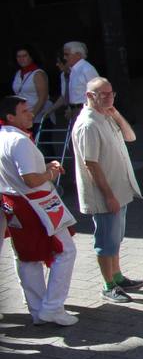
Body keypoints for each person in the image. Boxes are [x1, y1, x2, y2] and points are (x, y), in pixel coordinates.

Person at [1, 95, 78, 324]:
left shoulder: (6, 137)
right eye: (24, 111)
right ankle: (52, 307)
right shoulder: (19, 141)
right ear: (10, 116)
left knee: (27, 256)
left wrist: (44, 168)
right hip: (36, 203)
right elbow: (31, 179)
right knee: (66, 251)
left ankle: (37, 309)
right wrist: (51, 173)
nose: (31, 113)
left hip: (15, 203)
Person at [71, 76, 142, 302]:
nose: (109, 97)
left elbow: (131, 136)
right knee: (105, 241)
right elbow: (90, 164)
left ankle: (118, 276)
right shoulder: (88, 124)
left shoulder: (106, 115)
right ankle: (108, 284)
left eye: (111, 93)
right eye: (104, 94)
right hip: (105, 196)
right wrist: (108, 196)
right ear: (89, 96)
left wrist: (117, 114)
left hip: (120, 191)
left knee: (115, 238)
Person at [53, 42, 98, 121]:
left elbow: (97, 92)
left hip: (86, 112)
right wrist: (71, 108)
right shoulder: (73, 70)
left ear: (78, 55)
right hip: (75, 111)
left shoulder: (87, 69)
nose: (64, 57)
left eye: (67, 54)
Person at [12, 45, 50, 123]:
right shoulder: (18, 73)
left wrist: (31, 116)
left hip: (37, 118)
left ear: (31, 57)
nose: (21, 59)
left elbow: (42, 98)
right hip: (22, 117)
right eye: (18, 56)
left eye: (24, 56)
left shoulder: (38, 73)